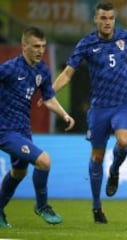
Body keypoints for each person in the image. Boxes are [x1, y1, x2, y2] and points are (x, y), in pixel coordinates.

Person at [52, 1, 127, 224]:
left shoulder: (126, 38)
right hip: (99, 108)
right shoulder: (87, 43)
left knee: (124, 142)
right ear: (96, 19)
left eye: (111, 18)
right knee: (97, 156)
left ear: (114, 20)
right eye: (103, 18)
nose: (107, 22)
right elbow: (68, 73)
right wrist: (50, 92)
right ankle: (97, 207)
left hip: (124, 103)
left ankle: (115, 170)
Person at [0, 26, 75, 228]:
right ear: (24, 47)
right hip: (5, 130)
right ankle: (42, 206)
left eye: (43, 46)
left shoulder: (42, 70)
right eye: (35, 46)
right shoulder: (9, 68)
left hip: (23, 130)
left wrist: (64, 115)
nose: (40, 50)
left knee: (19, 173)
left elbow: (48, 98)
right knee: (44, 161)